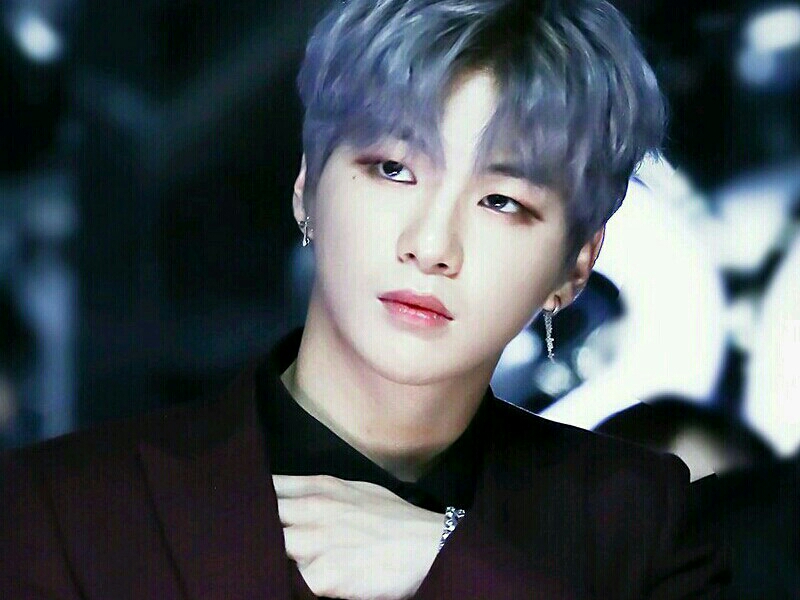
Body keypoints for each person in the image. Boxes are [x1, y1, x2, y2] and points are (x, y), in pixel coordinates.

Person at [1, 1, 728, 598]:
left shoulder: (639, 522)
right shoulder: (66, 511)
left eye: (502, 201)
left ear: (577, 265)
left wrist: (453, 562)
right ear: (307, 187)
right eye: (393, 169)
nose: (432, 244)